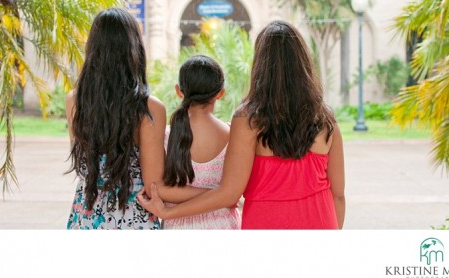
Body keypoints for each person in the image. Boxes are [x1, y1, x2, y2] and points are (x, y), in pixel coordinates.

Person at [138, 20, 345, 229]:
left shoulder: (247, 120)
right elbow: (338, 196)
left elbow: (229, 193)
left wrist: (168, 211)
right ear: (304, 64)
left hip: (265, 225)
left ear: (261, 65)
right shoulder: (327, 120)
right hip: (321, 223)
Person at [65, 7, 204, 229]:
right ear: (134, 49)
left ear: (93, 49)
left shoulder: (74, 101)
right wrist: (216, 194)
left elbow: (86, 164)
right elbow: (153, 186)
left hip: (86, 218)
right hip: (132, 218)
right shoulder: (148, 108)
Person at [161, 55, 240, 229]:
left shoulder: (166, 136)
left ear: (178, 91)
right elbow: (233, 194)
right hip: (222, 225)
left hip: (177, 227)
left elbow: (161, 190)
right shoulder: (233, 136)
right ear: (220, 93)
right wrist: (220, 195)